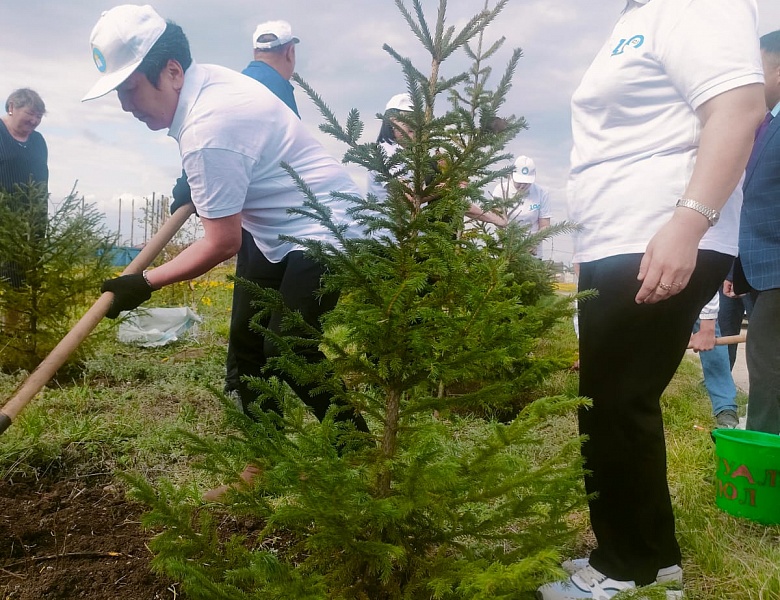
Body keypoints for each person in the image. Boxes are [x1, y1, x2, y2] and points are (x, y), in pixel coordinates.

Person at [82, 5, 369, 496]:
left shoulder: (208, 128)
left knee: (288, 346)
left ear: (171, 72)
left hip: (328, 226)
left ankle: (362, 457)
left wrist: (143, 284)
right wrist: (190, 185)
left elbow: (222, 241)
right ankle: (265, 461)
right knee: (246, 343)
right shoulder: (203, 87)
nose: (127, 106)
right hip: (273, 224)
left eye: (131, 90)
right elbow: (234, 160)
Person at [537, 1, 766, 599]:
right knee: (609, 404)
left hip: (653, 232)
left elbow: (739, 109)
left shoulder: (696, 5)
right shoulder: (641, 17)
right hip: (618, 235)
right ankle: (644, 560)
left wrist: (686, 225)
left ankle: (630, 570)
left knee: (617, 404)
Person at [735, 30, 780, 435]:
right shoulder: (766, 124)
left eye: (758, 69)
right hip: (761, 272)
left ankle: (762, 475)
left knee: (768, 376)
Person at [0, 88, 48, 329]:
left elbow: (42, 180)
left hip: (29, 224)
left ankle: (11, 334)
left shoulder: (38, 141)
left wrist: (41, 219)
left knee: (16, 280)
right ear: (11, 107)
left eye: (38, 116)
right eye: (30, 113)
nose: (34, 120)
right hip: (2, 218)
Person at [466, 155, 552, 257]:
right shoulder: (501, 190)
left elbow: (545, 225)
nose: (522, 186)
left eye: (526, 183)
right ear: (511, 175)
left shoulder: (541, 193)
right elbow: (496, 218)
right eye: (519, 182)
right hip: (506, 248)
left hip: (532, 253)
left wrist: (534, 242)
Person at [689, 293, 739, 428]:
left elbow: (707, 276)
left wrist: (708, 320)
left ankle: (725, 408)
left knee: (711, 345)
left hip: (692, 291)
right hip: (643, 292)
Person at [719, 275, 753, 370]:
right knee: (725, 332)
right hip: (728, 274)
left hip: (760, 276)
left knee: (761, 334)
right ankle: (722, 379)